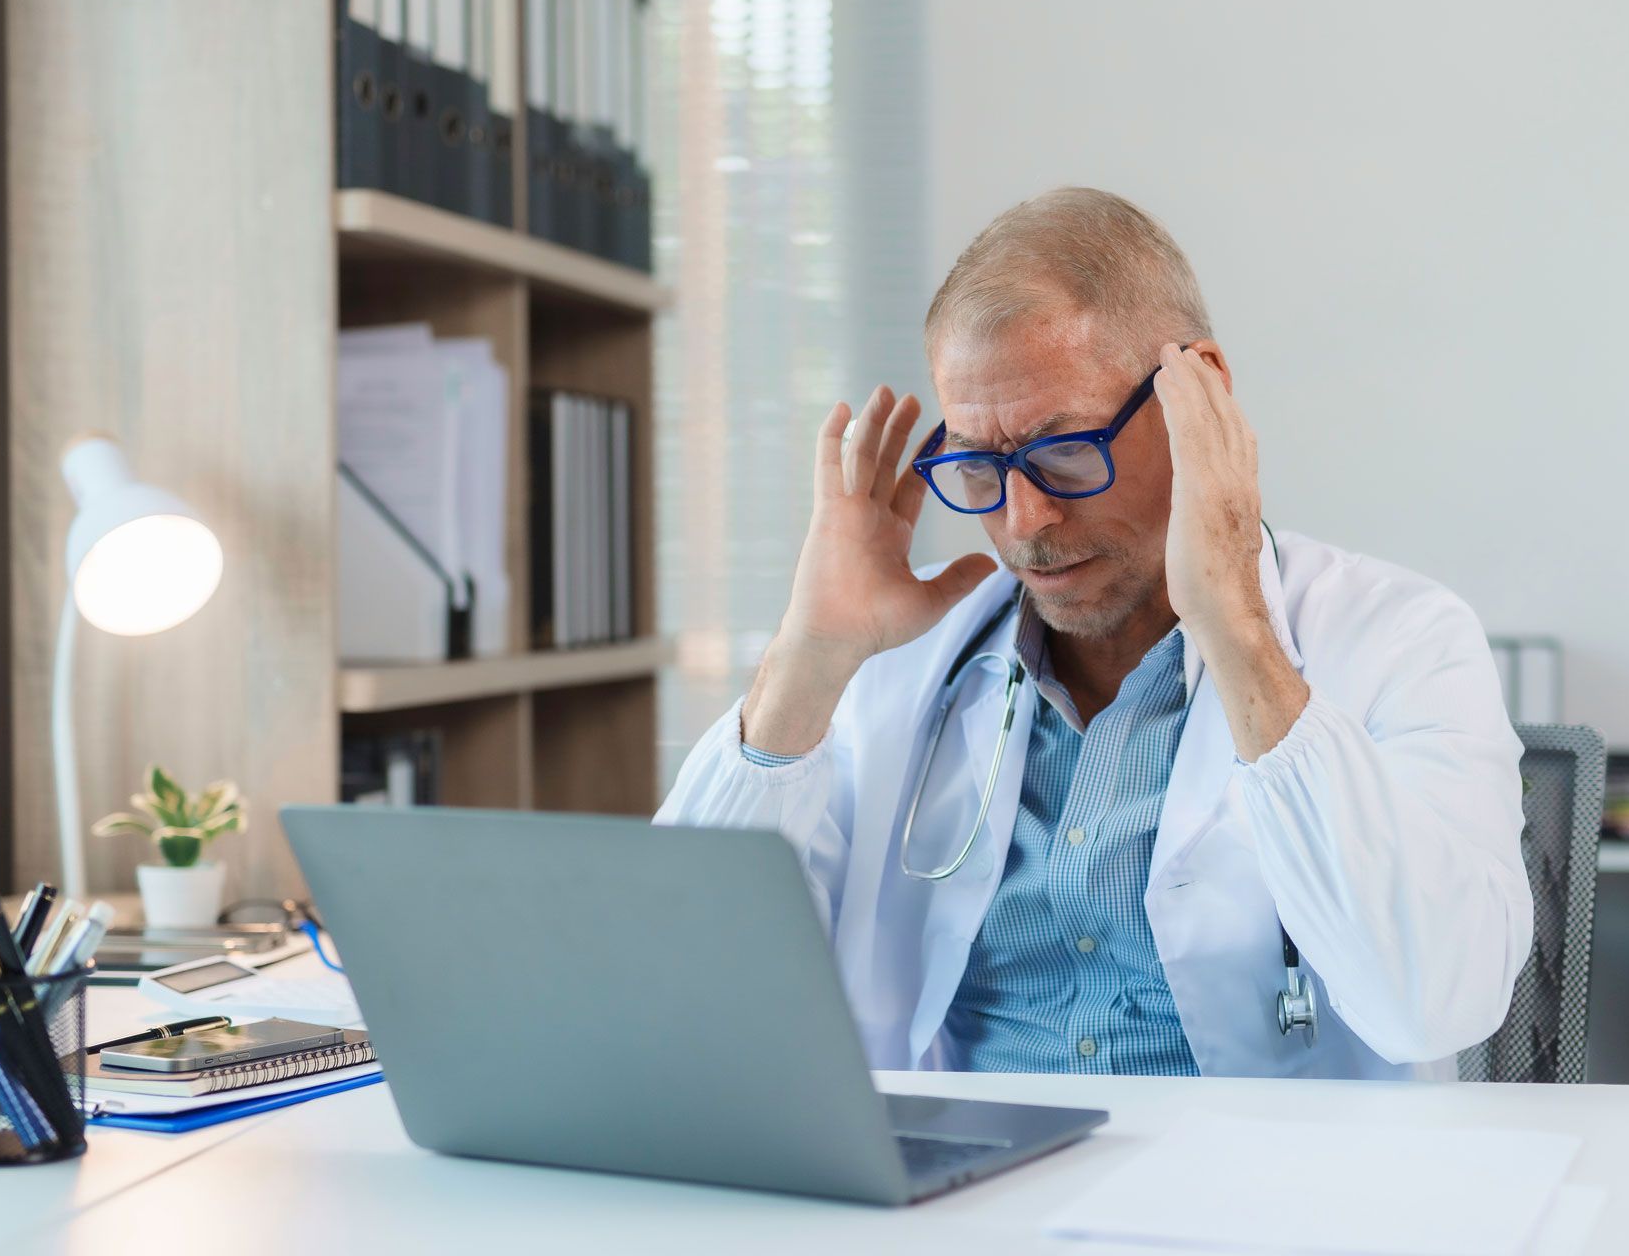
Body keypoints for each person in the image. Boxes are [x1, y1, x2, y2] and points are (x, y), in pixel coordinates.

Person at [656, 187, 1532, 1080]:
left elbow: (1439, 1003)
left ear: (1201, 394)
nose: (1024, 519)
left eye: (1065, 449)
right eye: (979, 465)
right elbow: (676, 988)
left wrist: (1236, 629)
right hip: (968, 1193)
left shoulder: (1403, 639)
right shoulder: (902, 668)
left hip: (1273, 1199)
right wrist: (809, 659)